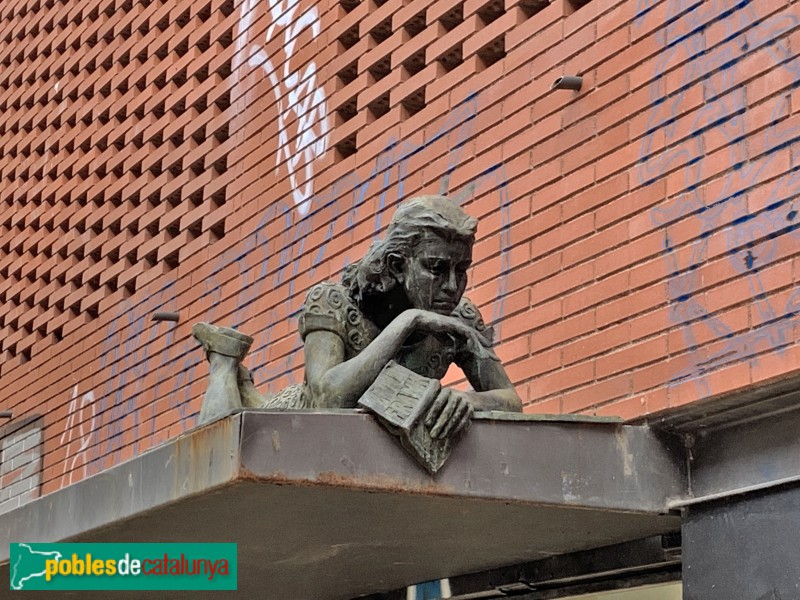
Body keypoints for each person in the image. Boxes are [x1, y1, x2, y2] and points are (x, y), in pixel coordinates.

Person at [192, 195, 522, 438]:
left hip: (374, 445)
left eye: (461, 270)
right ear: (397, 265)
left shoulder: (459, 319)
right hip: (294, 423)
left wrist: (465, 400)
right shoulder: (332, 301)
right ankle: (225, 358)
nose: (452, 286)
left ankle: (244, 385)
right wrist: (408, 323)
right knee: (220, 438)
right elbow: (328, 399)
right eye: (435, 268)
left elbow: (510, 400)